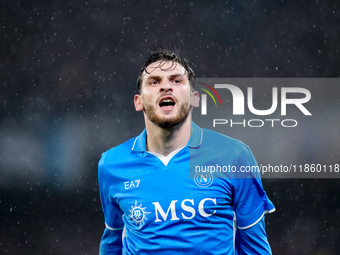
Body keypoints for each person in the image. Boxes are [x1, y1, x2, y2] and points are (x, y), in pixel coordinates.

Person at [98, 45, 275, 255]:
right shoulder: (111, 165)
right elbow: (113, 243)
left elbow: (255, 248)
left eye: (176, 80)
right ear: (139, 102)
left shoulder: (234, 156)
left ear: (194, 98)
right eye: (154, 82)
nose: (166, 87)